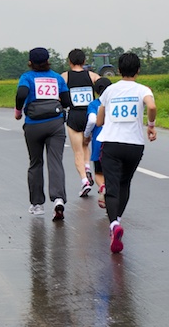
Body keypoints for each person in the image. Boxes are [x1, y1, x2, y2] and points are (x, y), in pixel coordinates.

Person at [95, 52, 157, 253]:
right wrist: (151, 125)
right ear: (138, 70)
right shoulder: (143, 89)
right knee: (125, 183)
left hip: (112, 143)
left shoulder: (110, 91)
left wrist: (103, 122)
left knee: (111, 186)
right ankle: (118, 219)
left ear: (119, 70)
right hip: (134, 146)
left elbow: (100, 118)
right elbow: (152, 106)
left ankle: (114, 224)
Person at [15, 47, 72, 220]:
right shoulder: (56, 77)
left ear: (30, 62)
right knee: (55, 162)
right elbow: (67, 100)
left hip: (34, 125)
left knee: (36, 163)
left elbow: (22, 93)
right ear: (48, 60)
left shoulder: (27, 77)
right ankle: (58, 199)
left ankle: (37, 204)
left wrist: (18, 110)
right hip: (55, 124)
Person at [63, 49, 102, 198]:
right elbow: (104, 88)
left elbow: (60, 94)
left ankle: (85, 180)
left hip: (74, 115)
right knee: (86, 143)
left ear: (70, 62)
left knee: (78, 150)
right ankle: (87, 167)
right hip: (90, 114)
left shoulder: (65, 76)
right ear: (84, 61)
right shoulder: (92, 76)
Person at [82, 77, 113, 206]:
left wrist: (86, 135)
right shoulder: (115, 102)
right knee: (112, 170)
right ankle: (111, 192)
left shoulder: (94, 104)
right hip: (114, 141)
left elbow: (92, 120)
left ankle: (102, 187)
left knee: (99, 172)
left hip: (99, 142)